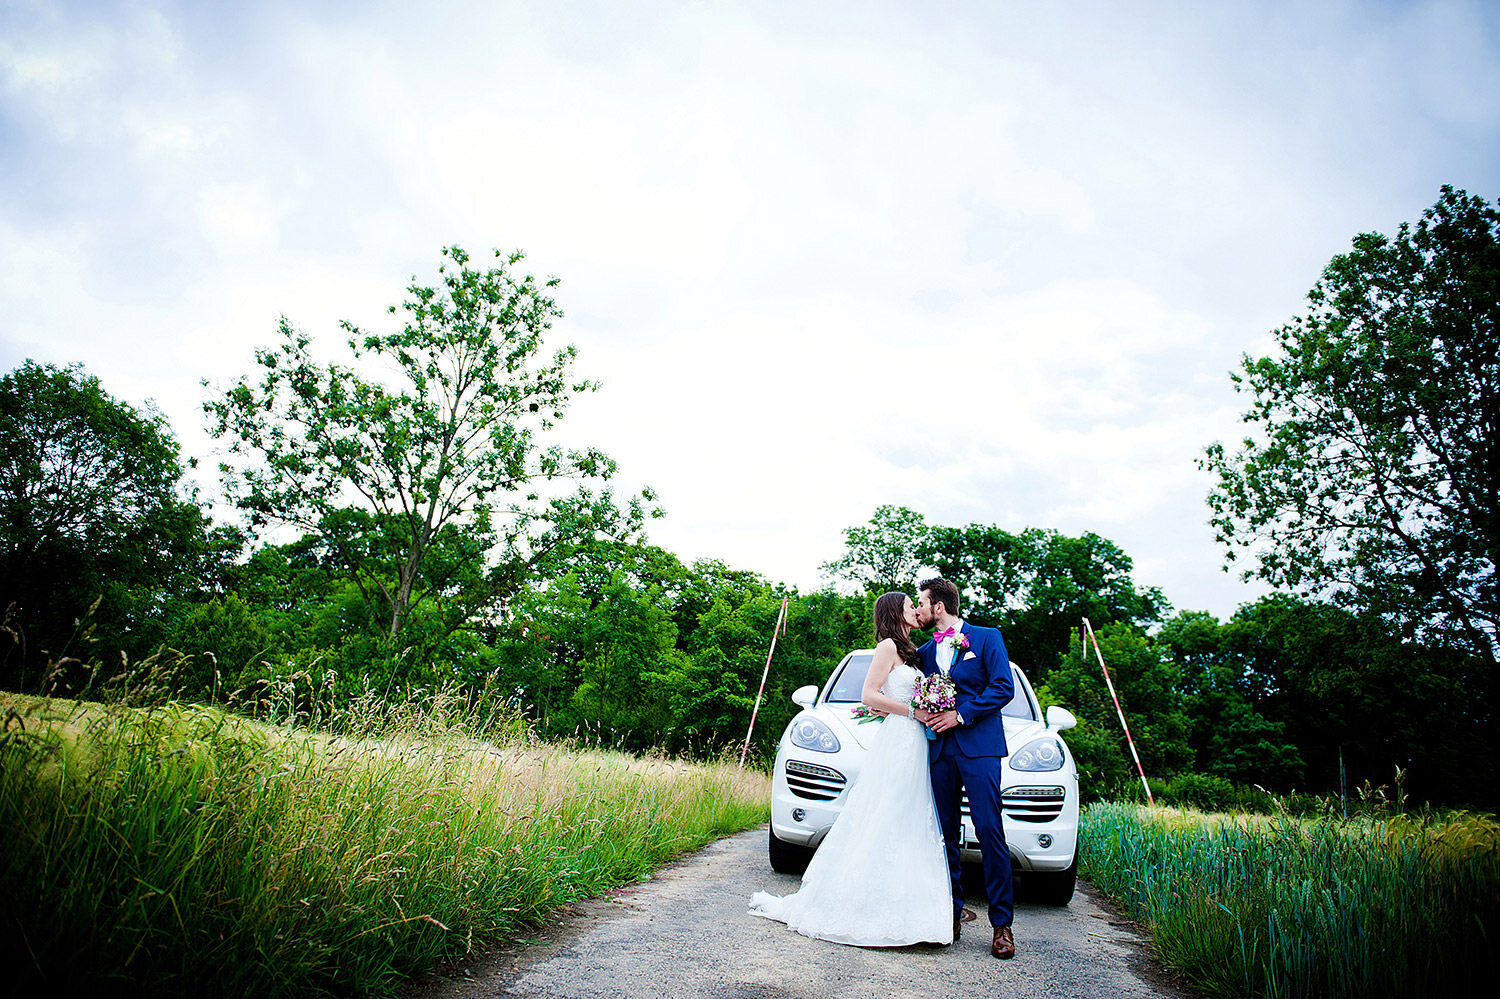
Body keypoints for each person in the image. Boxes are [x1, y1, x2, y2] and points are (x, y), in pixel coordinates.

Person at [748, 591, 951, 947]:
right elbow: (869, 696)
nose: (915, 610)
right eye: (909, 605)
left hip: (916, 744)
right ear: (894, 612)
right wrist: (913, 712)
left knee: (910, 818)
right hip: (899, 739)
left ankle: (909, 911)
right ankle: (861, 907)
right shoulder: (887, 646)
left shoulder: (912, 651)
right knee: (885, 814)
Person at [916, 576, 1019, 960]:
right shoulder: (925, 651)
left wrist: (960, 715)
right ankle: (951, 914)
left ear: (938, 606)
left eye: (922, 603)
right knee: (944, 835)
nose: (920, 610)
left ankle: (1002, 925)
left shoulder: (987, 637)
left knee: (990, 829)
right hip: (939, 752)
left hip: (979, 749)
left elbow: (1002, 687)